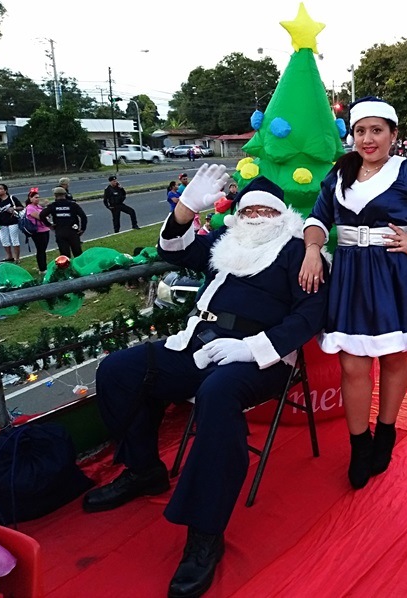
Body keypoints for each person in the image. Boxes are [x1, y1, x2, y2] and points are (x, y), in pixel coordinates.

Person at [82, 169, 328, 598]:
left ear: (281, 215)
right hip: (196, 344)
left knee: (217, 394)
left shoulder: (296, 253)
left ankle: (205, 532)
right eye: (248, 209)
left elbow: (310, 315)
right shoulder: (225, 243)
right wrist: (184, 209)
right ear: (238, 215)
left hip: (261, 357)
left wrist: (252, 348)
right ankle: (143, 470)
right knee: (119, 371)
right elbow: (175, 248)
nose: (256, 216)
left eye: (265, 210)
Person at [299, 96, 407, 490]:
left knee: (393, 357)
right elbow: (317, 219)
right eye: (360, 130)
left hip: (394, 274)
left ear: (393, 134)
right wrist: (311, 249)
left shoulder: (404, 171)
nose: (368, 138)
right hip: (351, 277)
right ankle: (360, 444)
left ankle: (386, 431)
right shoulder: (339, 173)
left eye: (377, 130)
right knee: (352, 365)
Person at [39, 187, 87, 258]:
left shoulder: (53, 206)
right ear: (65, 194)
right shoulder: (73, 205)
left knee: (65, 256)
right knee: (78, 254)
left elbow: (42, 215)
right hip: (73, 231)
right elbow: (83, 216)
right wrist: (82, 229)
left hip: (60, 232)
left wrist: (49, 225)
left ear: (55, 195)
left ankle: (67, 265)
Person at [0, 183, 24, 263]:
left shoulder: (11, 198)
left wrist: (14, 208)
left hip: (12, 222)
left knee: (14, 240)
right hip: (2, 223)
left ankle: (17, 258)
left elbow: (21, 207)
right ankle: (9, 256)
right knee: (4, 240)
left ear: (5, 190)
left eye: (1, 189)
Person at [24, 190, 51, 274]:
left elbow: (48, 215)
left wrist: (46, 211)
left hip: (45, 229)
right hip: (38, 231)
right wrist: (46, 215)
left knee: (43, 249)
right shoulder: (30, 208)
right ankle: (42, 269)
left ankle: (44, 266)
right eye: (35, 197)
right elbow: (41, 217)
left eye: (38, 197)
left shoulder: (38, 206)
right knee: (40, 250)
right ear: (30, 198)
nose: (37, 199)